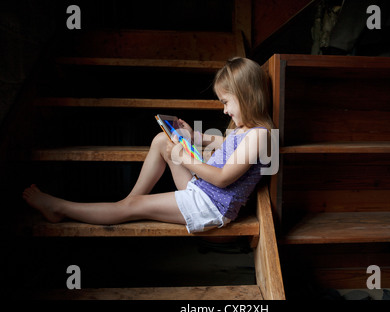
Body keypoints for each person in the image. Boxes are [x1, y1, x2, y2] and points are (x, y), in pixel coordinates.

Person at [22, 57, 275, 233]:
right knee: (162, 140)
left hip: (211, 207)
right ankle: (129, 203)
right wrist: (194, 137)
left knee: (139, 196)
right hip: (202, 192)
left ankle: (61, 208)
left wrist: (185, 157)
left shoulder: (260, 136)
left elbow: (222, 179)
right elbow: (225, 142)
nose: (224, 110)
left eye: (226, 102)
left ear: (247, 96)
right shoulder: (247, 131)